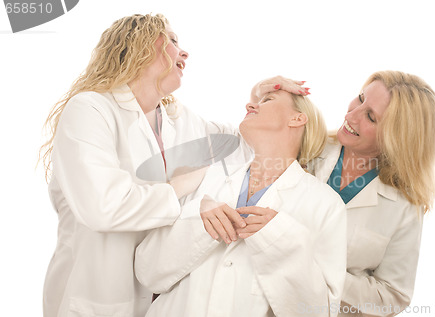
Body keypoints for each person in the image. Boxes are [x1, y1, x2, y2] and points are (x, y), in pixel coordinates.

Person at [39, 13, 272, 317]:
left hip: (163, 302)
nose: (184, 52)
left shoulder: (180, 119)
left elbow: (245, 143)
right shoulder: (90, 109)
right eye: (173, 41)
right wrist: (184, 193)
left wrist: (266, 96)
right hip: (96, 300)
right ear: (139, 46)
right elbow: (104, 207)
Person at [135, 90, 347, 316]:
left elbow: (316, 312)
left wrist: (280, 239)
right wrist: (198, 220)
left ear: (297, 118)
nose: (250, 105)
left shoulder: (326, 205)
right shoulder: (205, 176)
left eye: (267, 100)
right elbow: (147, 273)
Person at [305, 71, 435, 316]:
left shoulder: (405, 206)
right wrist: (263, 92)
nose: (351, 115)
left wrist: (321, 270)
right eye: (360, 99)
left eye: (370, 117)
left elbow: (393, 296)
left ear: (397, 138)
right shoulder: (309, 145)